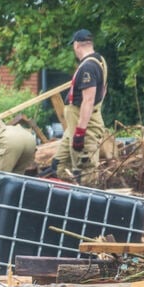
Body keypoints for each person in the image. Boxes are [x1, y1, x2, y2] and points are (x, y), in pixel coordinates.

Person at [52, 29, 108, 183]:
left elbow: (88, 100)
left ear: (76, 45)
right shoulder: (100, 61)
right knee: (58, 165)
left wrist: (80, 132)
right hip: (74, 127)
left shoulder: (88, 67)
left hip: (84, 128)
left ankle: (86, 204)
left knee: (85, 173)